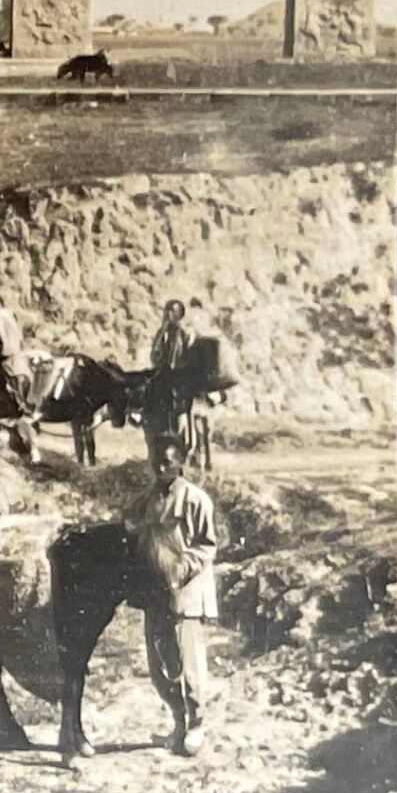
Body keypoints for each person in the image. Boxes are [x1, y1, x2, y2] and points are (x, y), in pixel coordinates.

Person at [145, 448, 228, 756]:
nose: (161, 466)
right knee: (159, 663)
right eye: (157, 461)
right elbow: (132, 522)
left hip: (184, 589)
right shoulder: (150, 497)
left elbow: (206, 546)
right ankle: (178, 721)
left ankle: (196, 724)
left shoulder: (195, 499)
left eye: (167, 461)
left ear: (180, 462)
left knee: (187, 663)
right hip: (155, 590)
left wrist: (179, 569)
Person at [143, 297, 198, 467]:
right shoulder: (162, 333)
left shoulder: (186, 333)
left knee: (181, 413)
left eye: (172, 311)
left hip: (180, 377)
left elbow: (188, 357)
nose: (168, 314)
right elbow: (155, 355)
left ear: (179, 314)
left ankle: (185, 450)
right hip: (164, 375)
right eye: (167, 311)